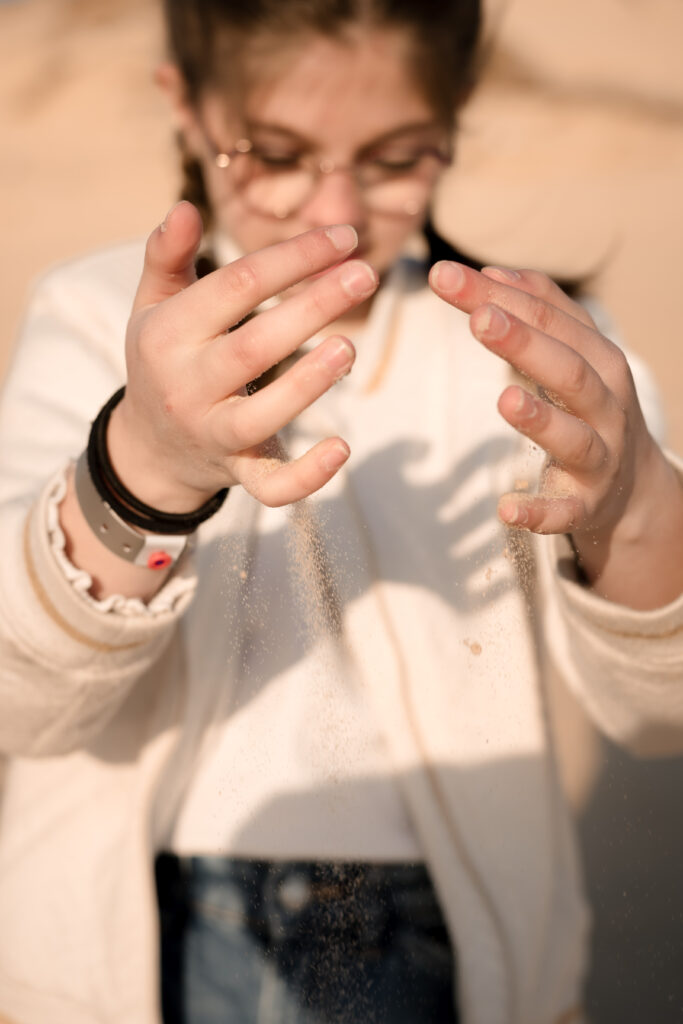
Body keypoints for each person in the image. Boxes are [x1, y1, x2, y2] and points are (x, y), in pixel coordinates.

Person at [0, 1, 682, 1022]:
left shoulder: (533, 353)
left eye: (396, 156)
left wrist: (630, 512)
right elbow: (22, 701)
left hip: (449, 942)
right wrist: (137, 471)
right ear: (186, 106)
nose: (335, 210)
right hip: (137, 946)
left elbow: (659, 713)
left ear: (452, 115)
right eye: (274, 153)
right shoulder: (102, 321)